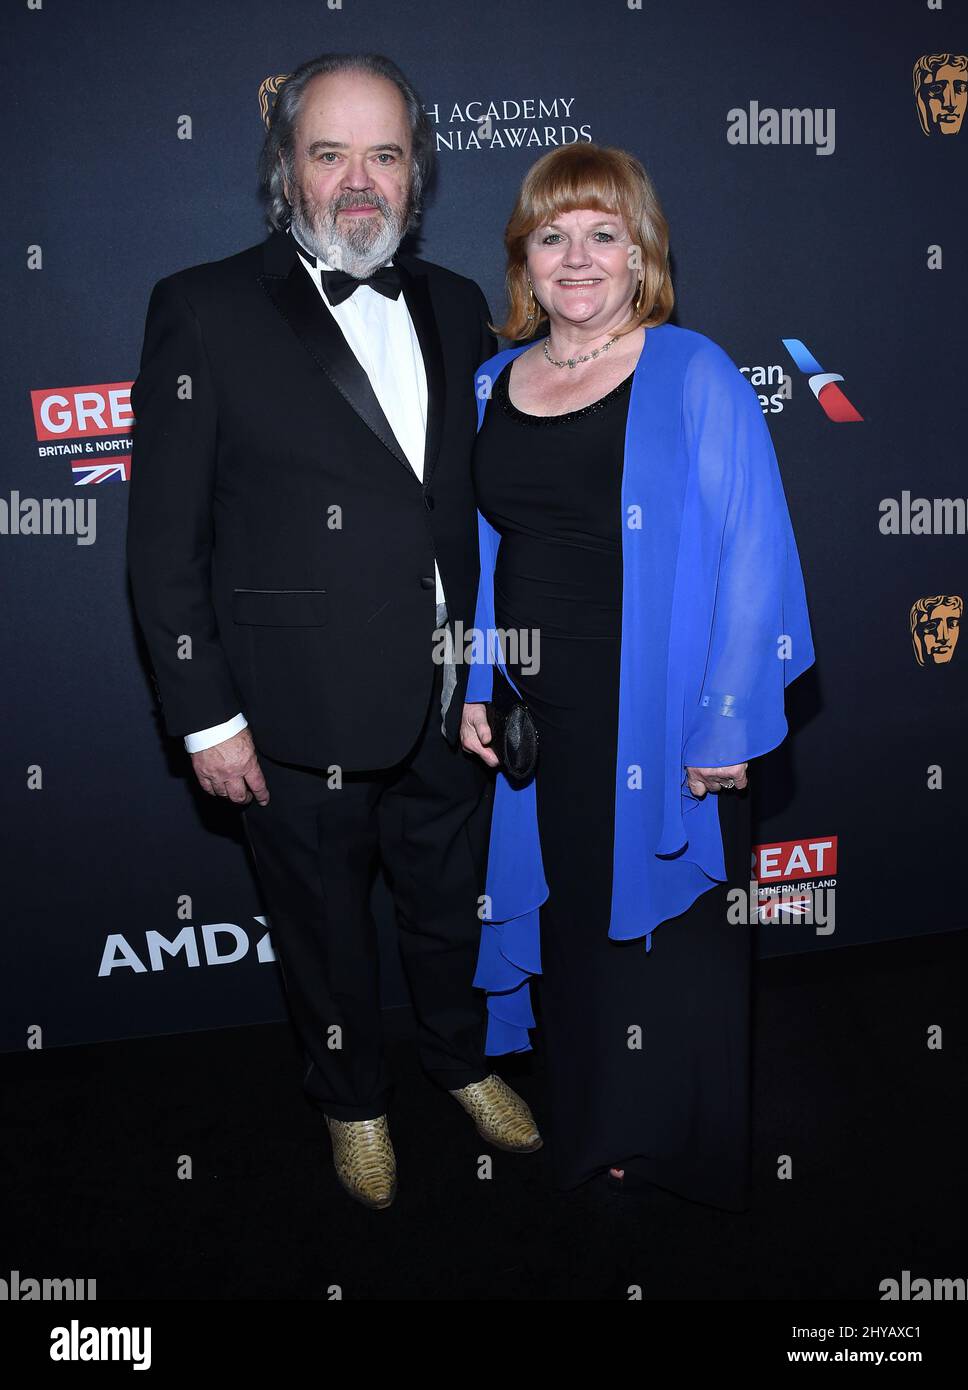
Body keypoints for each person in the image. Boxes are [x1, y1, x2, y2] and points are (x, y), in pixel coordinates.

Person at [126, 52, 541, 1212]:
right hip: (294, 707)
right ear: (284, 169)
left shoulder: (458, 305)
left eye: (386, 154)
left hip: (445, 699)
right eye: (330, 153)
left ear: (419, 173)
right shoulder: (201, 307)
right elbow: (163, 544)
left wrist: (478, 667)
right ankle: (353, 1098)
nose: (360, 182)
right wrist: (208, 718)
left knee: (444, 903)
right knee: (320, 928)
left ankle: (460, 1059)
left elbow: (458, 513)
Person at [460, 143, 814, 1209]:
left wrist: (723, 726)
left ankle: (678, 1142)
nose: (578, 257)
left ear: (641, 252)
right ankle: (597, 1128)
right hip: (541, 719)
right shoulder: (490, 382)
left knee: (672, 941)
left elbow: (757, 558)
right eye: (552, 235)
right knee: (576, 929)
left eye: (602, 234)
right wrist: (479, 679)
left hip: (662, 717)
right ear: (525, 257)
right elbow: (483, 552)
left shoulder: (693, 370)